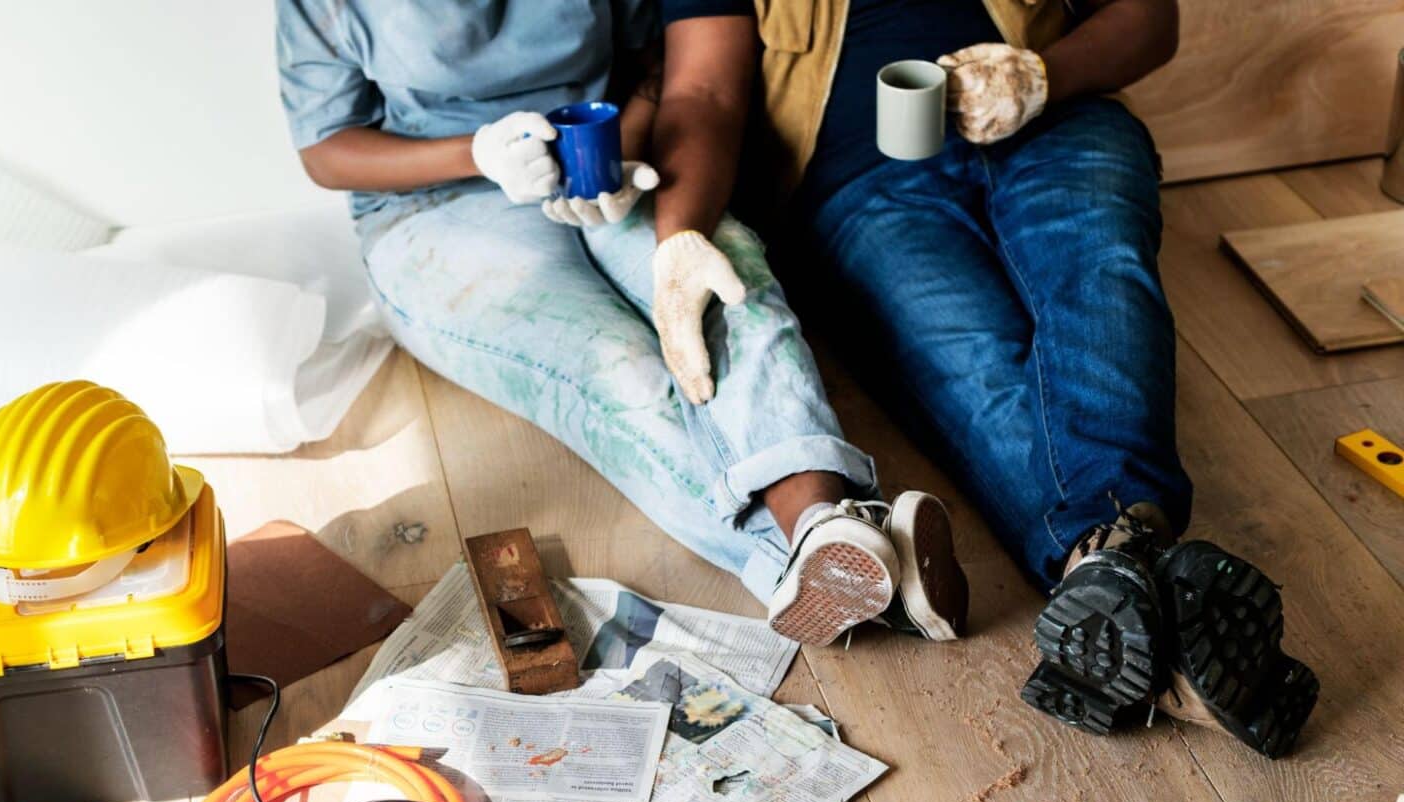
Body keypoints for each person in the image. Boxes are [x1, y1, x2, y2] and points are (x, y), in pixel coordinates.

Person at [656, 0, 1318, 756]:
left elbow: (1148, 20)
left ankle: (1105, 571)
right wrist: (680, 235)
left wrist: (1042, 76)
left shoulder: (1050, 94)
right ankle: (1137, 578)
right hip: (864, 182)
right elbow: (702, 91)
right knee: (973, 366)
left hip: (1056, 123)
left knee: (1098, 273)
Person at [274, 0, 969, 647]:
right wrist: (477, 153)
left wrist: (620, 150)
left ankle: (826, 530)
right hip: (437, 206)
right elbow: (326, 148)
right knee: (617, 366)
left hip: (600, 162)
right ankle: (844, 561)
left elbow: (650, 64)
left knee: (724, 286)